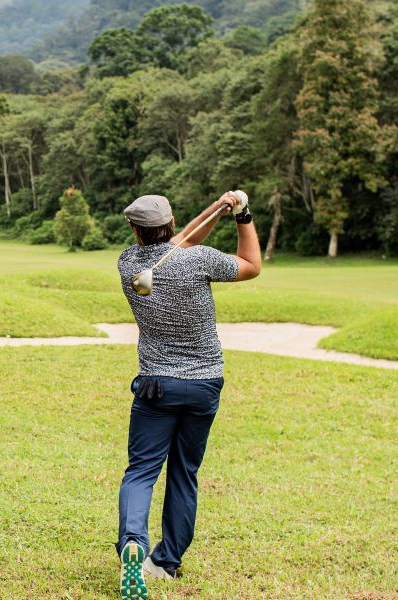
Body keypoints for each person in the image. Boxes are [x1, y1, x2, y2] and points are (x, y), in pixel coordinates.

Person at [115, 192, 262, 600]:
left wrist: (216, 209)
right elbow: (251, 266)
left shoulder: (129, 263)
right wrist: (240, 214)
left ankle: (133, 543)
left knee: (141, 470)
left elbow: (180, 243)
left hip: (155, 386)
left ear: (134, 229)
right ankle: (166, 561)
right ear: (172, 221)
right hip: (203, 385)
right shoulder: (196, 260)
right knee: (184, 472)